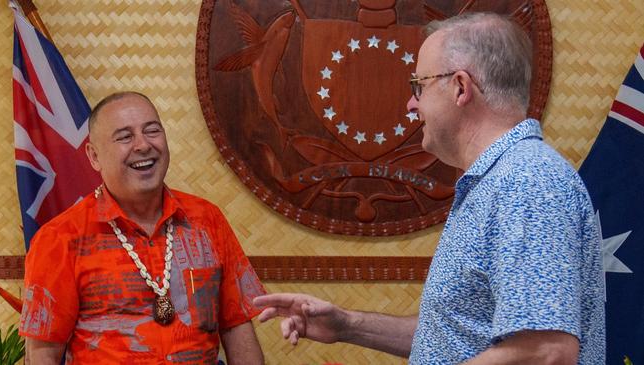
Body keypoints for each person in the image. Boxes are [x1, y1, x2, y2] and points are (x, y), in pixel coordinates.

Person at [254, 12, 605, 365]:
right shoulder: (497, 182)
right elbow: (457, 333)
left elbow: (546, 352)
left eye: (418, 85)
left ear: (460, 87)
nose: (412, 103)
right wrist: (348, 325)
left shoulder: (526, 182)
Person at [20, 91, 266, 364]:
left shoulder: (207, 219)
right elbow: (42, 353)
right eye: (125, 137)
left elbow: (237, 326)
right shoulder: (60, 238)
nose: (143, 145)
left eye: (152, 131)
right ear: (94, 156)